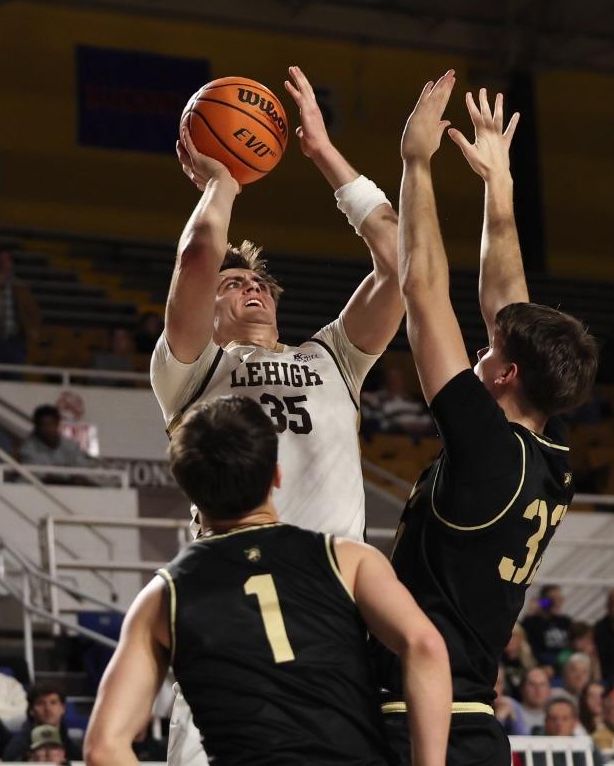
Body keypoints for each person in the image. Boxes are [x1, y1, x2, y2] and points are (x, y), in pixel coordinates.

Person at [151, 67, 406, 766]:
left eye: (260, 281)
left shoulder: (334, 359)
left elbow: (400, 262)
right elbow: (201, 251)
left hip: (327, 612)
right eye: (235, 285)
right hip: (227, 601)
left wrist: (323, 152)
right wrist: (221, 184)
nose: (251, 288)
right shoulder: (193, 366)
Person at [375, 77, 597, 765]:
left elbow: (422, 289)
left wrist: (416, 164)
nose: (478, 348)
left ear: (503, 378)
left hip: (414, 719)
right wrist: (498, 182)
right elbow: (509, 303)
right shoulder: (548, 445)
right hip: (469, 718)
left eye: (486, 351)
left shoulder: (487, 451)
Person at [84, 396, 450, 766]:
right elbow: (426, 646)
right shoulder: (348, 560)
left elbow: (103, 747)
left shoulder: (163, 597)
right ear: (276, 474)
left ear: (188, 490)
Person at [4, 684, 81, 762]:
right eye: (40, 703)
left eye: (53, 702)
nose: (48, 708)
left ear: (63, 708)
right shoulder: (18, 745)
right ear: (31, 711)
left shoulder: (72, 746)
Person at [361, 365, 435, 439]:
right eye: (392, 378)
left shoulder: (413, 401)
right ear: (386, 380)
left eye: (398, 378)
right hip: (394, 437)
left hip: (420, 437)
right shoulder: (378, 399)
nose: (395, 381)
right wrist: (400, 426)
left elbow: (427, 420)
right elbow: (380, 422)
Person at [529, 696, 604, 766]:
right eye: (553, 718)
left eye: (565, 719)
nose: (559, 723)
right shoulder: (533, 746)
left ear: (575, 723)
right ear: (545, 722)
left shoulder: (587, 746)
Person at [17, 404, 92, 472]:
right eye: (43, 425)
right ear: (37, 427)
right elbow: (40, 476)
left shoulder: (71, 446)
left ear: (57, 424)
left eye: (51, 424)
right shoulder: (27, 449)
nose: (48, 429)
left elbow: (82, 470)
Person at [521, 585, 574, 667]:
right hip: (543, 665)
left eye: (560, 598)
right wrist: (536, 608)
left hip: (565, 664)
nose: (558, 602)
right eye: (554, 599)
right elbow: (532, 650)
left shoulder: (565, 621)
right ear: (545, 601)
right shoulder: (531, 622)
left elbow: (572, 646)